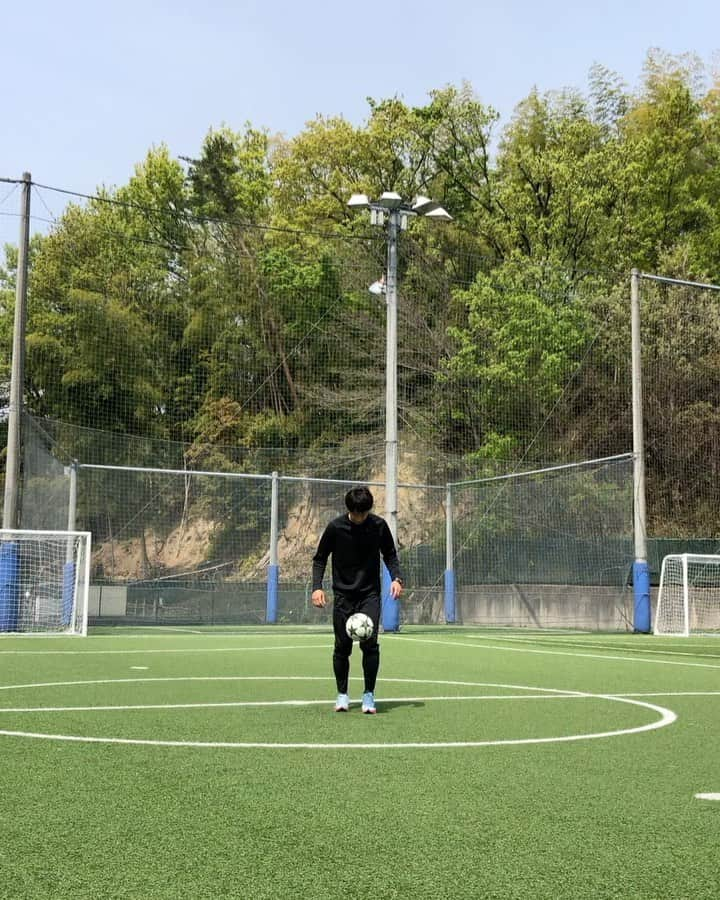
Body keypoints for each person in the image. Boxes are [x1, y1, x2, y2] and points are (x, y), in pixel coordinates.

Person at [311, 486, 404, 714]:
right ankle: (342, 695)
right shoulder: (335, 528)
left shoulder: (378, 526)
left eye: (364, 513)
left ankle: (368, 695)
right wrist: (316, 587)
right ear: (349, 510)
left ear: (368, 511)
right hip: (343, 595)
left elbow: (390, 554)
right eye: (356, 514)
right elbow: (320, 559)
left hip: (369, 594)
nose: (360, 518)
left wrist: (397, 578)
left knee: (369, 644)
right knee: (342, 647)